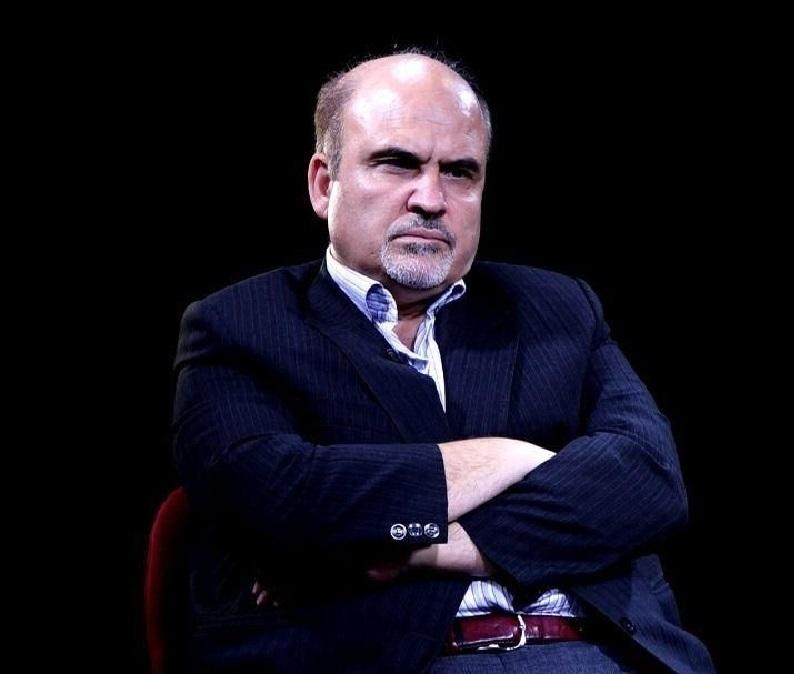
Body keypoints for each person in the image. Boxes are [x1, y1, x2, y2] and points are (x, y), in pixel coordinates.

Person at [171, 50, 714, 673]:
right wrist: (512, 457)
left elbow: (649, 480)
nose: (430, 199)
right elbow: (274, 497)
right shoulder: (238, 324)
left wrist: (424, 546)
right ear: (324, 184)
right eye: (396, 163)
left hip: (596, 651)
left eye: (459, 172)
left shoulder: (557, 308)